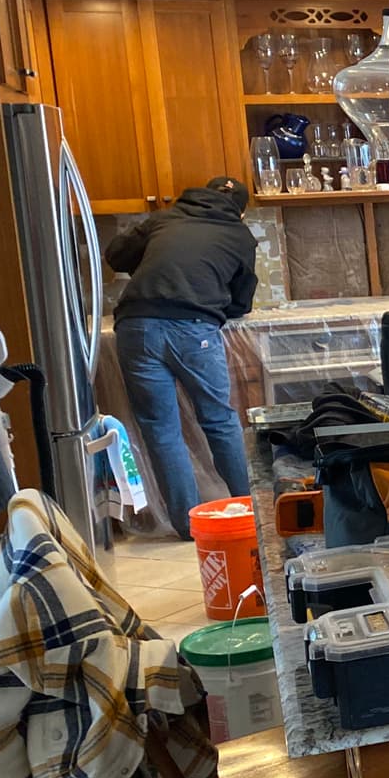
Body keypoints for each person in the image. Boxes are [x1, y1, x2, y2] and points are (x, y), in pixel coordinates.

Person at [104, 175, 259, 539]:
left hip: (137, 325)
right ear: (240, 211)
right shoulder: (239, 235)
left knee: (161, 429)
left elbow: (116, 254)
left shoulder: (165, 218)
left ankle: (189, 526)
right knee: (219, 421)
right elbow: (242, 301)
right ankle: (252, 511)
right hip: (194, 329)